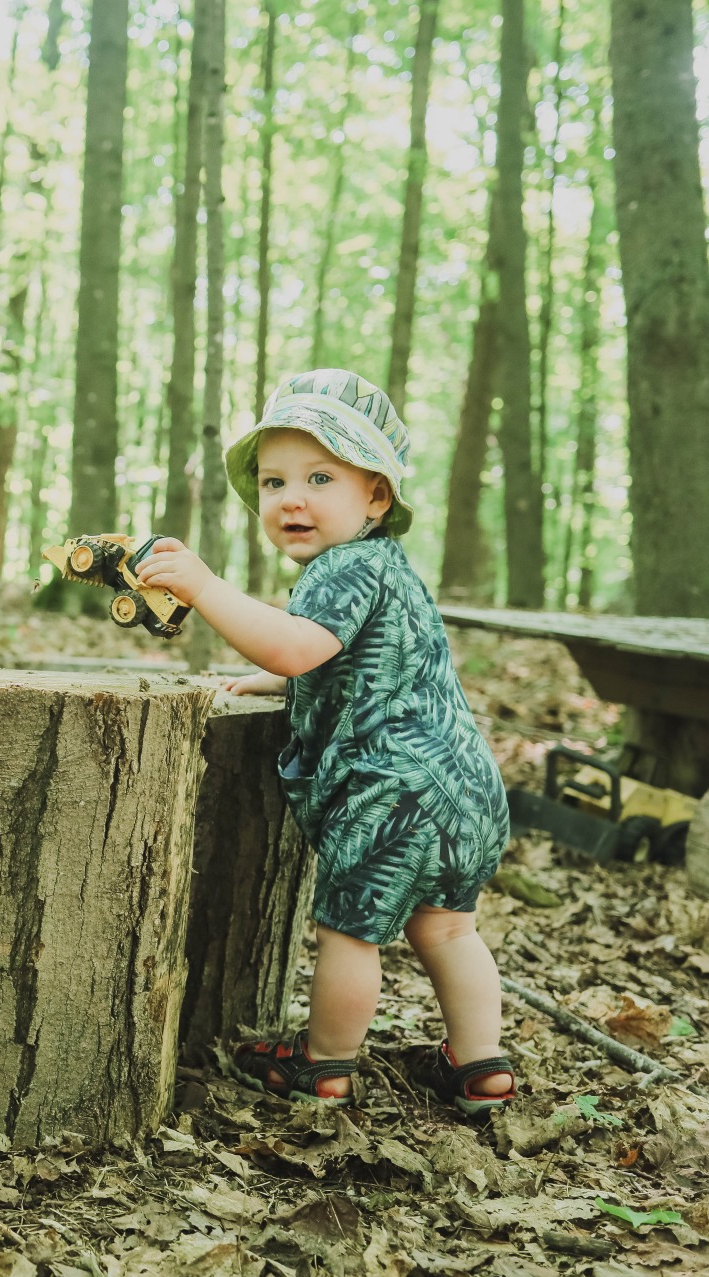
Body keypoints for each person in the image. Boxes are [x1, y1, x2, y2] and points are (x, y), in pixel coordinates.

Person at [135, 369, 515, 1118]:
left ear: (375, 496)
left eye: (319, 476)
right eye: (273, 482)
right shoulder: (389, 572)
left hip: (390, 796)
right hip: (464, 784)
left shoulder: (341, 568)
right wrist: (284, 689)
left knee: (350, 930)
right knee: (448, 927)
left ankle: (324, 1064)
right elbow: (367, 668)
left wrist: (206, 589)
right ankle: (481, 1066)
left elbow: (297, 648)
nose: (291, 498)